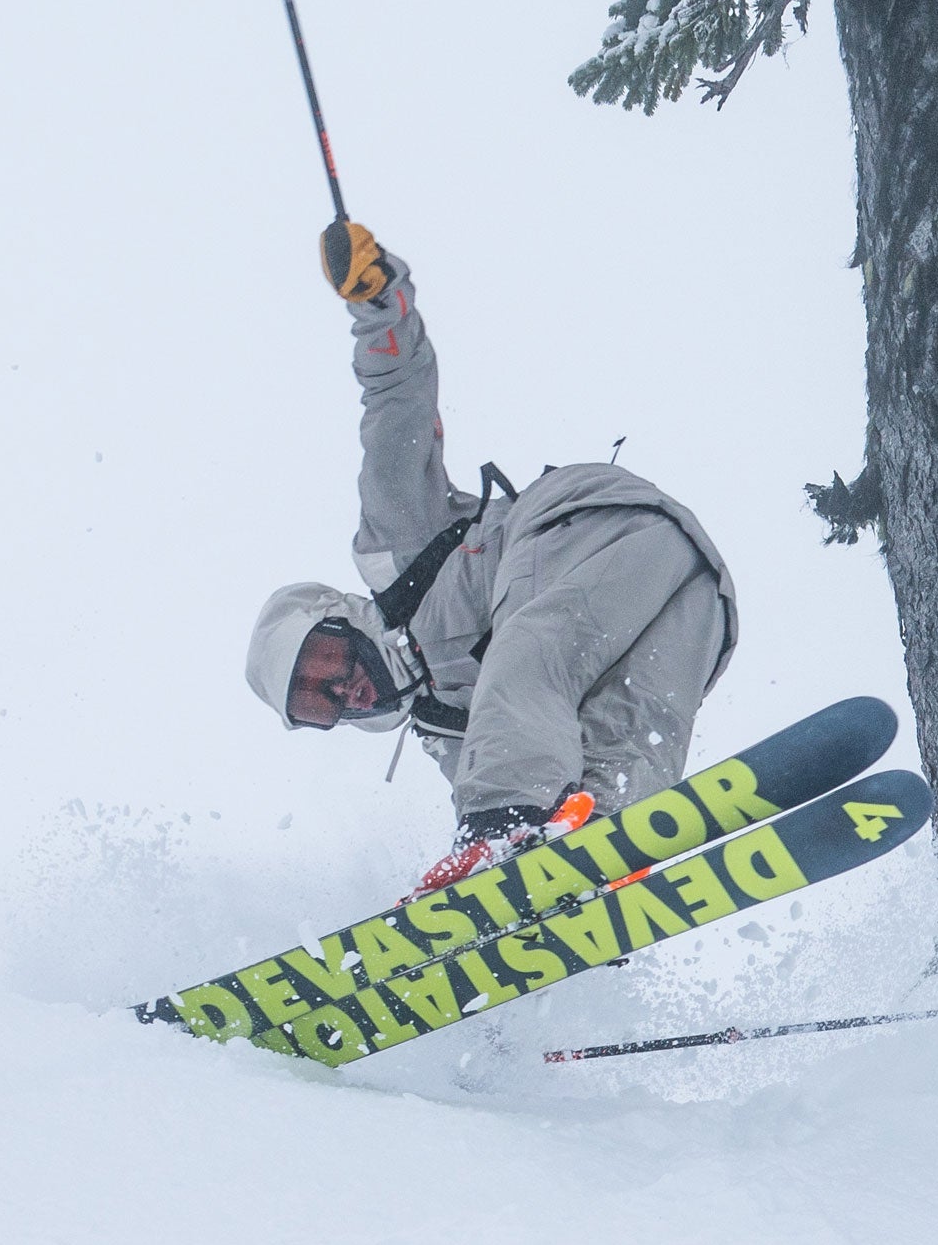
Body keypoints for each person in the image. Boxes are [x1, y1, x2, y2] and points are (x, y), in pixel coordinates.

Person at [246, 221, 738, 895]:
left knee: (529, 652)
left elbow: (396, 400)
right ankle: (599, 860)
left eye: (327, 665)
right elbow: (493, 760)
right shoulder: (450, 729)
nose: (345, 691)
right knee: (630, 738)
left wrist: (377, 302)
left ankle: (498, 836)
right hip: (699, 596)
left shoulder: (401, 553)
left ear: (337, 622)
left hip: (586, 527)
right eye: (321, 706)